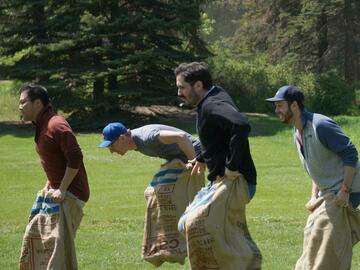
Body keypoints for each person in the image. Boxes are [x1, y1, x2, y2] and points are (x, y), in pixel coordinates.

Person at [175, 62, 261, 269]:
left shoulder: (212, 105)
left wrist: (232, 167)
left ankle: (251, 261)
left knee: (195, 226)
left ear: (198, 86)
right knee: (185, 224)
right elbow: (220, 134)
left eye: (181, 87)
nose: (178, 93)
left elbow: (240, 125)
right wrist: (205, 157)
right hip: (220, 182)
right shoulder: (214, 96)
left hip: (235, 182)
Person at [266, 85, 360, 269]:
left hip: (350, 189)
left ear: (294, 106)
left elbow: (350, 154)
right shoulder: (296, 131)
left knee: (327, 238)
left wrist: (344, 190)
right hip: (329, 192)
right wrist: (313, 196)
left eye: (280, 105)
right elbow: (315, 167)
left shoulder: (320, 125)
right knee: (314, 232)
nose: (276, 110)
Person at [99, 122, 204, 266]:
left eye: (111, 145)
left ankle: (186, 236)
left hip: (196, 154)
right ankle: (172, 240)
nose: (111, 151)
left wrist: (195, 161)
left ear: (122, 138)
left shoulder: (146, 137)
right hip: (180, 160)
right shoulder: (135, 143)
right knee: (152, 193)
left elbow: (181, 137)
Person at [18, 83, 90, 269]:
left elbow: (75, 156)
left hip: (70, 194)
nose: (20, 106)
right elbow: (57, 161)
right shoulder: (43, 124)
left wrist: (62, 188)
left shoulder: (56, 125)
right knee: (38, 240)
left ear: (38, 103)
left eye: (23, 102)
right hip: (56, 191)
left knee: (58, 249)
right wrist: (50, 183)